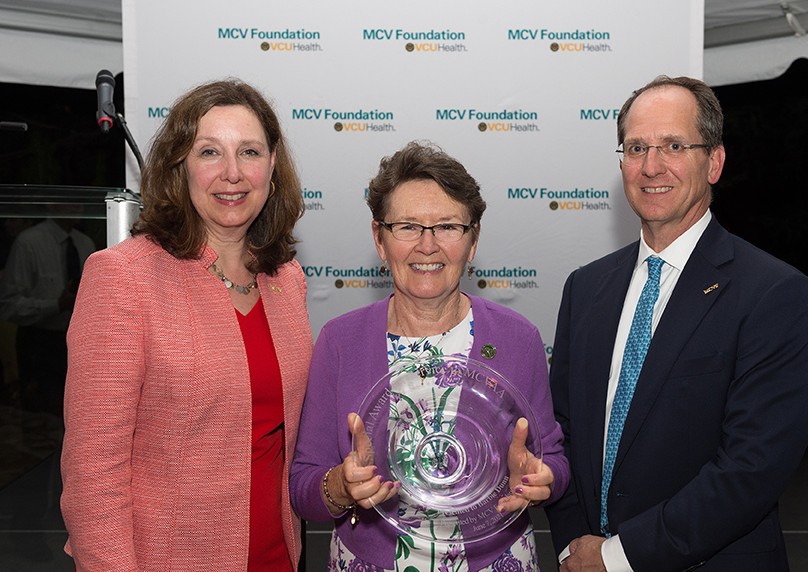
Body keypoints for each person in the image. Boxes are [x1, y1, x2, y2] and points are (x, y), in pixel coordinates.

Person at [544, 75, 808, 572]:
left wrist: (617, 556)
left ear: (713, 161)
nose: (651, 166)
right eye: (636, 148)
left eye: (673, 145)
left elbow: (751, 470)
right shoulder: (585, 289)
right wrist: (571, 545)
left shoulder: (776, 295)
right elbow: (560, 432)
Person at [60, 79, 313, 572]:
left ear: (273, 164)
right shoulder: (123, 278)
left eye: (250, 151)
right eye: (210, 151)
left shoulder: (287, 280)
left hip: (279, 554)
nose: (233, 173)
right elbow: (93, 473)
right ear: (180, 165)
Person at [290, 141, 570, 571]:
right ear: (379, 240)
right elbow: (304, 484)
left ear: (473, 241)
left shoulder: (519, 339)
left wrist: (541, 477)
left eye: (447, 227)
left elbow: (553, 458)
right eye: (407, 226)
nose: (427, 245)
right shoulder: (339, 341)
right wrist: (341, 487)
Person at [0, 211, 94, 415]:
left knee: (78, 412)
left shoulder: (85, 244)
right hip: (40, 344)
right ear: (53, 203)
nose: (77, 206)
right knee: (40, 419)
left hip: (81, 344)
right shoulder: (29, 242)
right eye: (70, 198)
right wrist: (56, 305)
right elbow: (8, 304)